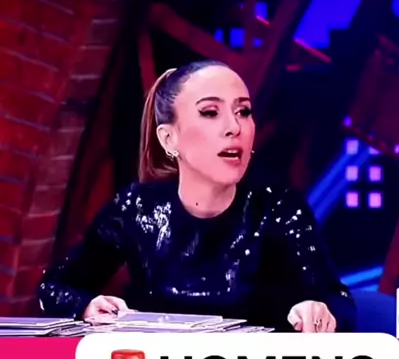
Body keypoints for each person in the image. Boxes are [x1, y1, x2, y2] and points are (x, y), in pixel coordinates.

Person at [38, 59, 356, 333]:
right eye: (210, 112)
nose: (234, 127)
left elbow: (339, 302)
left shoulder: (279, 208)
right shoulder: (137, 209)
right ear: (168, 138)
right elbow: (54, 287)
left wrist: (320, 311)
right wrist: (86, 305)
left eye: (243, 111)